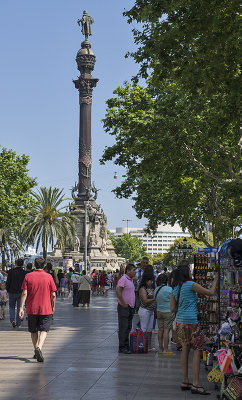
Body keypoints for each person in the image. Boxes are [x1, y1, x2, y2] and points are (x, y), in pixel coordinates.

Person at [170, 260, 218, 395]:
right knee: (197, 350)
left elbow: (172, 308)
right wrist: (216, 279)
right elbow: (210, 292)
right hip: (191, 322)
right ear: (187, 273)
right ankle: (196, 384)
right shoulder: (191, 285)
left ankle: (185, 380)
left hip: (180, 322)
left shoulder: (175, 289)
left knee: (185, 348)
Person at [19, 257, 56, 362]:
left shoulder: (28, 276)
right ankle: (39, 347)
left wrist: (21, 307)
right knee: (44, 330)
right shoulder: (48, 277)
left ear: (34, 265)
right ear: (44, 265)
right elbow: (53, 295)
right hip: (46, 308)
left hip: (32, 308)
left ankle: (36, 349)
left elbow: (24, 293)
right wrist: (53, 306)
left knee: (33, 330)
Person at [116, 263, 136, 354]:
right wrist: (123, 303)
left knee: (128, 327)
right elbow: (118, 290)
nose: (135, 272)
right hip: (124, 307)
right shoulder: (123, 279)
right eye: (133, 270)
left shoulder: (130, 280)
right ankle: (122, 347)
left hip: (130, 307)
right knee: (123, 327)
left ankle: (126, 345)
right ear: (128, 271)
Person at [155, 273, 175, 354]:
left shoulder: (156, 289)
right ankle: (165, 350)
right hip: (168, 312)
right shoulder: (169, 289)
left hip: (159, 311)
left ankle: (160, 348)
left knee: (160, 330)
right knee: (166, 331)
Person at [6, 258, 26, 328]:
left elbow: (8, 282)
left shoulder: (11, 271)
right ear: (22, 264)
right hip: (21, 292)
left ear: (16, 263)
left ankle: (12, 320)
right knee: (19, 307)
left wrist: (7, 290)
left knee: (11, 306)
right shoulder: (24, 272)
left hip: (12, 292)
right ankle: (18, 323)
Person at [138, 273, 156, 351]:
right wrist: (154, 299)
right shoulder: (142, 289)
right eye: (150, 280)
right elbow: (145, 301)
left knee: (149, 329)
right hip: (145, 310)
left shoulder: (149, 288)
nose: (151, 282)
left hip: (150, 311)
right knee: (144, 328)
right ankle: (141, 345)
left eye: (152, 280)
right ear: (146, 280)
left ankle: (148, 346)